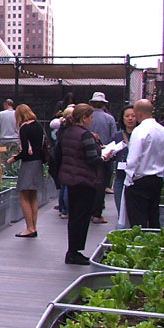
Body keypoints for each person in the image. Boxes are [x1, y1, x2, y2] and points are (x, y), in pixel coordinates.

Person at [58, 103, 103, 265]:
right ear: (84, 118)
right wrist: (105, 156)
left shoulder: (68, 132)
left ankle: (72, 250)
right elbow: (92, 159)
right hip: (85, 180)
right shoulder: (86, 135)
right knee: (82, 217)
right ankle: (75, 252)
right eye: (91, 117)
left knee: (74, 216)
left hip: (71, 179)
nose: (92, 121)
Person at [124, 99, 164, 228]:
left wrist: (129, 178)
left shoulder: (139, 131)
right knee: (153, 216)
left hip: (139, 180)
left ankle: (139, 246)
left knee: (137, 220)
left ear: (139, 113)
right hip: (157, 179)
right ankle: (155, 244)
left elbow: (133, 158)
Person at [6, 104, 45, 237]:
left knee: (23, 194)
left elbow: (25, 152)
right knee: (33, 195)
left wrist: (13, 159)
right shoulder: (38, 126)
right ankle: (34, 226)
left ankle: (29, 228)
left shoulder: (24, 128)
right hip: (38, 162)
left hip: (28, 164)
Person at [88, 92, 119, 223]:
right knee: (101, 185)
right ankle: (97, 213)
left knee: (89, 184)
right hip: (105, 154)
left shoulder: (87, 117)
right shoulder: (109, 119)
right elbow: (114, 136)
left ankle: (88, 211)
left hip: (88, 153)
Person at [113, 106, 138, 217]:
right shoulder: (117, 136)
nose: (130, 118)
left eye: (133, 116)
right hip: (120, 175)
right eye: (127, 116)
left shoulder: (140, 134)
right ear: (122, 118)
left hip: (136, 177)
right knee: (121, 210)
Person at [50, 105, 74, 218]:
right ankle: (66, 210)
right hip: (68, 160)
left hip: (61, 160)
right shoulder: (70, 130)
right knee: (67, 186)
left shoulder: (61, 129)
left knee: (63, 185)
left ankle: (62, 208)